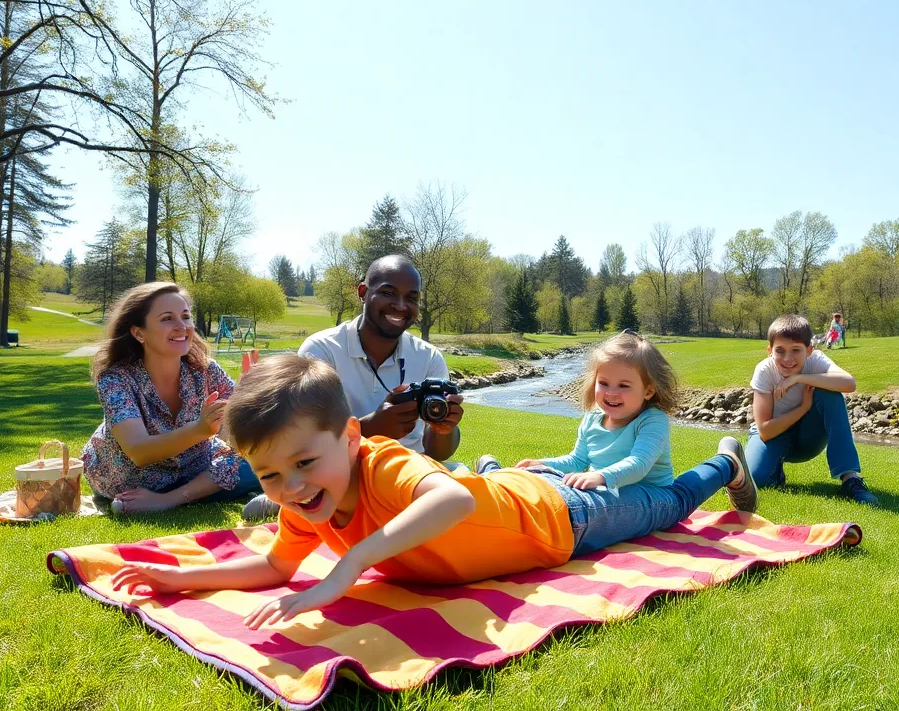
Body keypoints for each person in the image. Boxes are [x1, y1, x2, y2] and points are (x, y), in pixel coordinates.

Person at [109, 354, 758, 627]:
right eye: (271, 474)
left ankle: (725, 466)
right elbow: (279, 565)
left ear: (352, 438)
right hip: (519, 489)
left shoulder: (382, 464)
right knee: (491, 478)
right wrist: (181, 581)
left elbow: (452, 500)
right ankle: (495, 464)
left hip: (565, 516)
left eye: (304, 462)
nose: (289, 488)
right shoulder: (310, 498)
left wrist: (348, 569)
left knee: (666, 505)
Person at [242, 255, 464, 521]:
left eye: (412, 298)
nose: (401, 306)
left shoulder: (428, 357)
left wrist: (444, 428)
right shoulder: (321, 351)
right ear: (362, 293)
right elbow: (302, 438)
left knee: (462, 482)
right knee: (255, 509)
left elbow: (437, 453)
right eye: (388, 293)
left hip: (407, 470)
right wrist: (371, 429)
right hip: (337, 474)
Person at [82, 282, 260, 514]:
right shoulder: (116, 379)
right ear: (138, 333)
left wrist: (251, 397)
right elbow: (138, 451)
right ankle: (198, 492)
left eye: (185, 317)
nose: (182, 326)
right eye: (167, 318)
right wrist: (199, 430)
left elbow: (241, 431)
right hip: (132, 477)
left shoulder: (205, 370)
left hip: (196, 467)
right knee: (251, 468)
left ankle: (169, 499)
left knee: (260, 459)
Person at [475, 331, 678, 493]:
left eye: (624, 386)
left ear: (648, 391)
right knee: (553, 480)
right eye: (604, 383)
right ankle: (500, 485)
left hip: (651, 497)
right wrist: (541, 464)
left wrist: (599, 477)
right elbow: (577, 461)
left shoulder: (651, 420)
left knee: (574, 496)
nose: (611, 393)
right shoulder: (593, 418)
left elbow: (639, 464)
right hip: (606, 490)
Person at [743, 314, 879, 505]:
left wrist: (799, 379)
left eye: (796, 350)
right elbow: (765, 430)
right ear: (769, 351)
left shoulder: (815, 361)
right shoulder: (765, 370)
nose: (787, 358)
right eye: (780, 351)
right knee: (757, 480)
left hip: (807, 438)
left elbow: (849, 383)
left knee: (831, 394)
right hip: (773, 435)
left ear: (809, 350)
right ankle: (774, 471)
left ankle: (851, 479)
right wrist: (804, 407)